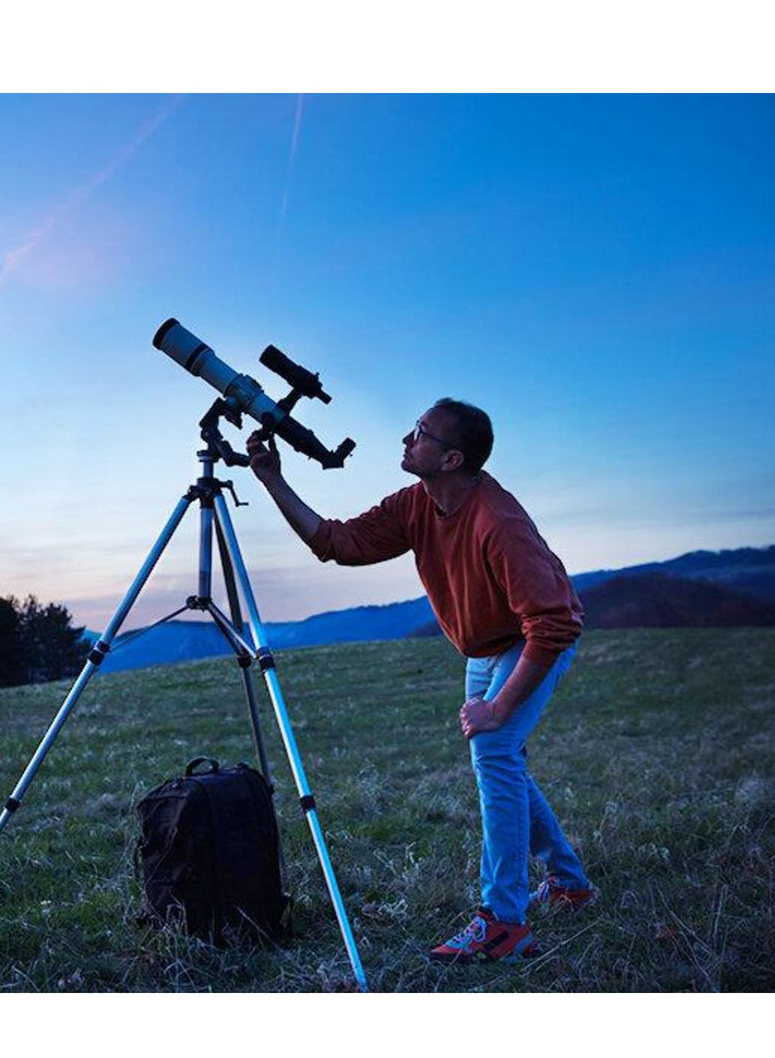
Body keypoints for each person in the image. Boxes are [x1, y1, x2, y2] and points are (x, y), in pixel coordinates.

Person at [245, 398, 598, 962]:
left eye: (420, 434)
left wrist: (499, 708)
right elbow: (335, 543)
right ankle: (571, 884)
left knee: (494, 747)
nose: (407, 441)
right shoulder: (416, 504)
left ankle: (504, 922)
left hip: (534, 642)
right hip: (484, 648)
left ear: (452, 457)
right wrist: (272, 481)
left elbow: (552, 625)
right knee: (499, 758)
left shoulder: (497, 522)